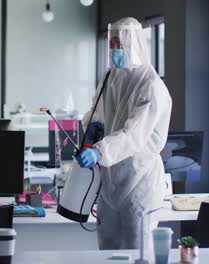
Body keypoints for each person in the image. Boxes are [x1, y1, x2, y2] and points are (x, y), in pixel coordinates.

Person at [75, 17, 172, 250]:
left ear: (134, 44)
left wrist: (99, 151)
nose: (114, 50)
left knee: (138, 252)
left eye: (119, 44)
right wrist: (91, 133)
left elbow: (134, 135)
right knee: (107, 252)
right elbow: (96, 111)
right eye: (112, 44)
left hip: (140, 183)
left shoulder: (150, 85)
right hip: (110, 183)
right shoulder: (112, 77)